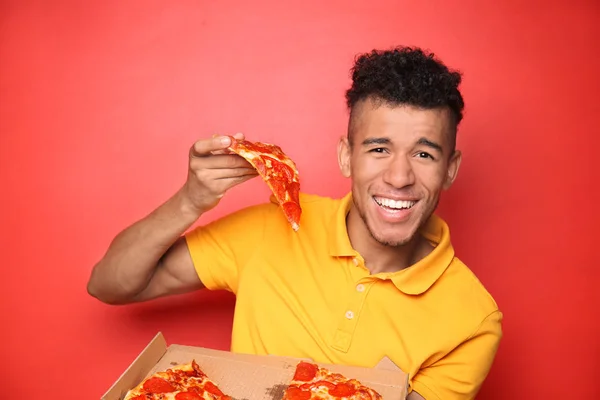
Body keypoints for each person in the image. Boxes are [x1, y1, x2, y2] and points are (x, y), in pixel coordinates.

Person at [87, 46, 502, 400]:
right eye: (378, 149)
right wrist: (189, 201)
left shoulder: (472, 321)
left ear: (450, 168)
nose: (398, 177)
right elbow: (108, 285)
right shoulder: (275, 226)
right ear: (346, 156)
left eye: (424, 154)